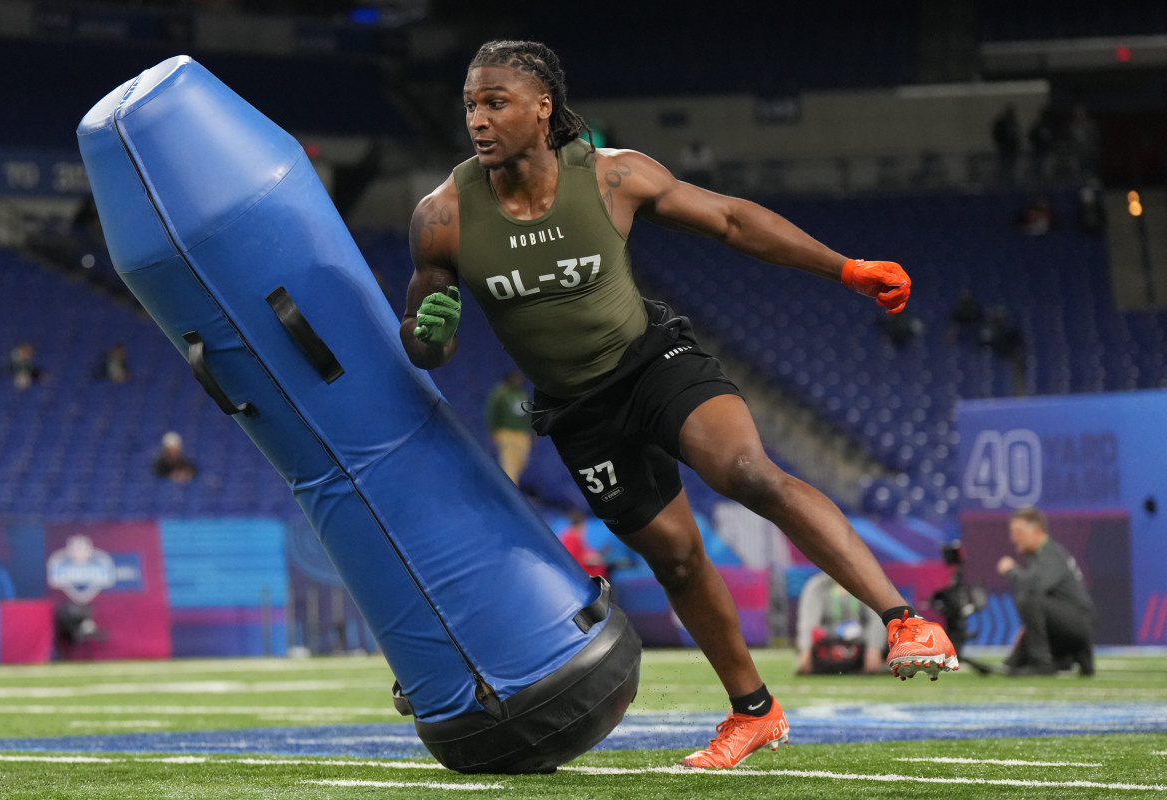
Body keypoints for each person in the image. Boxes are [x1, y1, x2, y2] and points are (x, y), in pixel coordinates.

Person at [400, 39, 957, 770]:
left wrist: (844, 268)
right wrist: (426, 335)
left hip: (651, 363)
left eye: (494, 102)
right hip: (577, 411)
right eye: (470, 103)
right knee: (679, 561)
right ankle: (754, 712)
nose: (477, 117)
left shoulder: (611, 177)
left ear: (542, 109)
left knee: (747, 472)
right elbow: (425, 341)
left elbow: (729, 219)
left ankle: (906, 621)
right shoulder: (443, 216)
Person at [998, 506, 1095, 676]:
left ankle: (1041, 662)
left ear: (1035, 531)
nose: (1014, 539)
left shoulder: (1049, 554)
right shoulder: (1042, 555)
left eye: (1018, 532)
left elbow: (1035, 588)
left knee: (1027, 598)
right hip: (1069, 623)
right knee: (1013, 665)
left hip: (1078, 625)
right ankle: (1068, 658)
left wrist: (1012, 571)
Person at [794, 571, 886, 675]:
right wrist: (805, 650)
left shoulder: (867, 584)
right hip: (830, 647)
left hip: (862, 645)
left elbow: (876, 619)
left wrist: (874, 649)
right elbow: (808, 622)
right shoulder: (816, 586)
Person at [485, 370, 533, 484]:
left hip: (521, 434)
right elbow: (491, 412)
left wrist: (532, 431)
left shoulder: (522, 393)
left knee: (520, 462)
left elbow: (529, 414)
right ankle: (510, 488)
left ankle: (510, 485)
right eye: (515, 378)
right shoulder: (500, 393)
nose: (518, 381)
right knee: (508, 462)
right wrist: (493, 430)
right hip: (506, 432)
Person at [557, 509, 609, 580]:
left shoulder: (574, 537)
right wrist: (591, 560)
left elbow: (582, 554)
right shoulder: (571, 538)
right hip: (585, 577)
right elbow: (573, 559)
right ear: (582, 524)